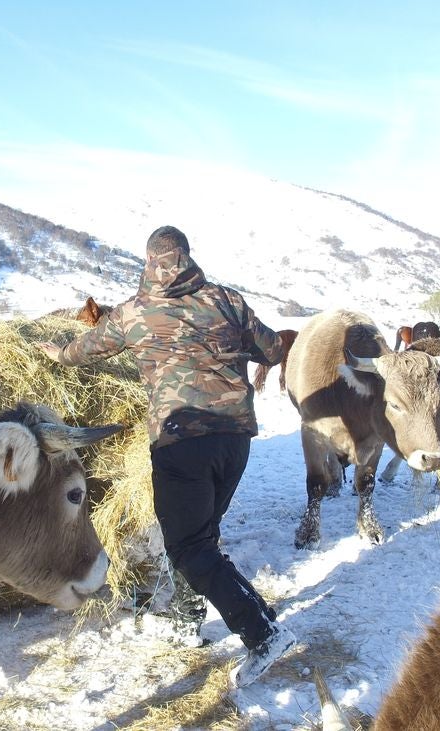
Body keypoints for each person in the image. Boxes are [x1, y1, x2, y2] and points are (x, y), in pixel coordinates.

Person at [39, 225, 296, 688]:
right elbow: (274, 349)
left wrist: (55, 352)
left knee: (188, 547)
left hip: (181, 440)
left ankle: (263, 634)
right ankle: (186, 621)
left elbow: (84, 351)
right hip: (234, 437)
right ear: (187, 256)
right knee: (201, 539)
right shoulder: (227, 300)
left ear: (149, 261)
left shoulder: (133, 312)